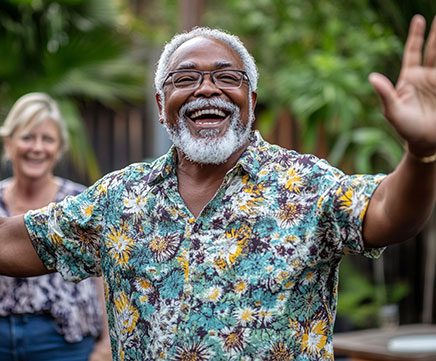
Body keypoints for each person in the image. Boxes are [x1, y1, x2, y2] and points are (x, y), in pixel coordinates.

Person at [0, 14, 435, 360]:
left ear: (252, 99)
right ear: (160, 105)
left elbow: (387, 216)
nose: (207, 89)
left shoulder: (307, 186)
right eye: (185, 79)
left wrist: (422, 154)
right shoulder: (120, 199)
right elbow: (17, 242)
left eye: (228, 77)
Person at [0, 93, 112, 361]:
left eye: (47, 139)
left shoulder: (79, 203)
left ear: (59, 147)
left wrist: (106, 346)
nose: (37, 148)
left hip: (64, 341)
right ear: (9, 142)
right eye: (28, 137)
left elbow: (105, 277)